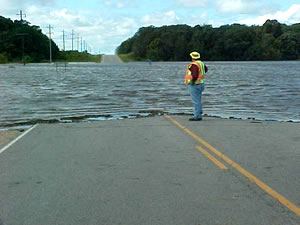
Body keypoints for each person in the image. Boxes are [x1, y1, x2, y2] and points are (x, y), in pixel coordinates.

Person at [184, 51, 208, 121]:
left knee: (195, 101)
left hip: (195, 84)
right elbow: (206, 70)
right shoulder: (201, 63)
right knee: (198, 100)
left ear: (192, 57)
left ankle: (197, 116)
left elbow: (194, 75)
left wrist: (192, 81)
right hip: (201, 83)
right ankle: (199, 113)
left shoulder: (194, 64)